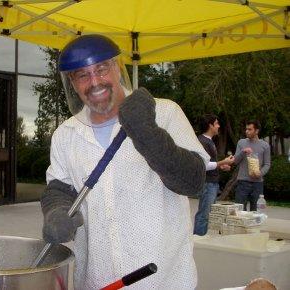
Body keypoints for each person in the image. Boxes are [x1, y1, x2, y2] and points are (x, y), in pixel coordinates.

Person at [40, 35, 210, 289]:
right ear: (72, 84)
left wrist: (147, 131)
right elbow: (59, 187)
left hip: (163, 280)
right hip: (97, 280)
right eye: (82, 75)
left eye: (101, 69)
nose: (95, 82)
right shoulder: (66, 134)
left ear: (118, 68)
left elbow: (193, 181)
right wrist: (56, 211)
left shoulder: (165, 112)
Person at [193, 114, 234, 236]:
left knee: (208, 213)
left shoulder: (209, 141)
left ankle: (201, 239)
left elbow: (210, 164)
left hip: (212, 183)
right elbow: (203, 165)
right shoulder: (203, 141)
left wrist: (221, 166)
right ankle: (198, 240)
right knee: (204, 214)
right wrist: (223, 162)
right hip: (208, 183)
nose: (218, 126)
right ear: (210, 125)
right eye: (216, 123)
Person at [233, 120, 270, 211]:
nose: (247, 131)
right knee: (240, 211)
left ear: (256, 131)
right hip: (242, 182)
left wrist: (260, 173)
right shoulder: (241, 143)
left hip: (258, 183)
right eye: (246, 129)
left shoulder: (265, 145)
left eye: (250, 129)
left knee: (256, 213)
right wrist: (243, 151)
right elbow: (235, 161)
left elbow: (267, 164)